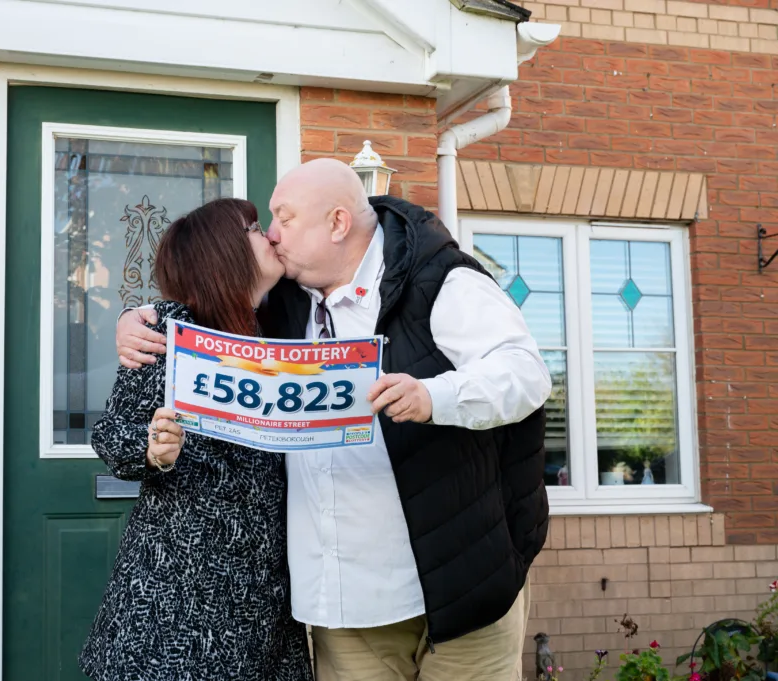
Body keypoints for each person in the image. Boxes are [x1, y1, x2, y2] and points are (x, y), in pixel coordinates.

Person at [116, 159, 553, 681]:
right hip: (346, 610)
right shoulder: (282, 300)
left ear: (338, 223)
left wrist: (434, 396)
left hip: (461, 589)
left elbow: (525, 372)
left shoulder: (441, 282)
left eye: (286, 217)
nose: (272, 235)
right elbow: (209, 297)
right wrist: (134, 319)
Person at [78, 198, 312, 681]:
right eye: (253, 228)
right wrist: (153, 449)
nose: (268, 234)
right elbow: (113, 435)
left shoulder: (283, 327)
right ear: (223, 252)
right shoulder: (170, 332)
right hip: (176, 596)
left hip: (263, 597)